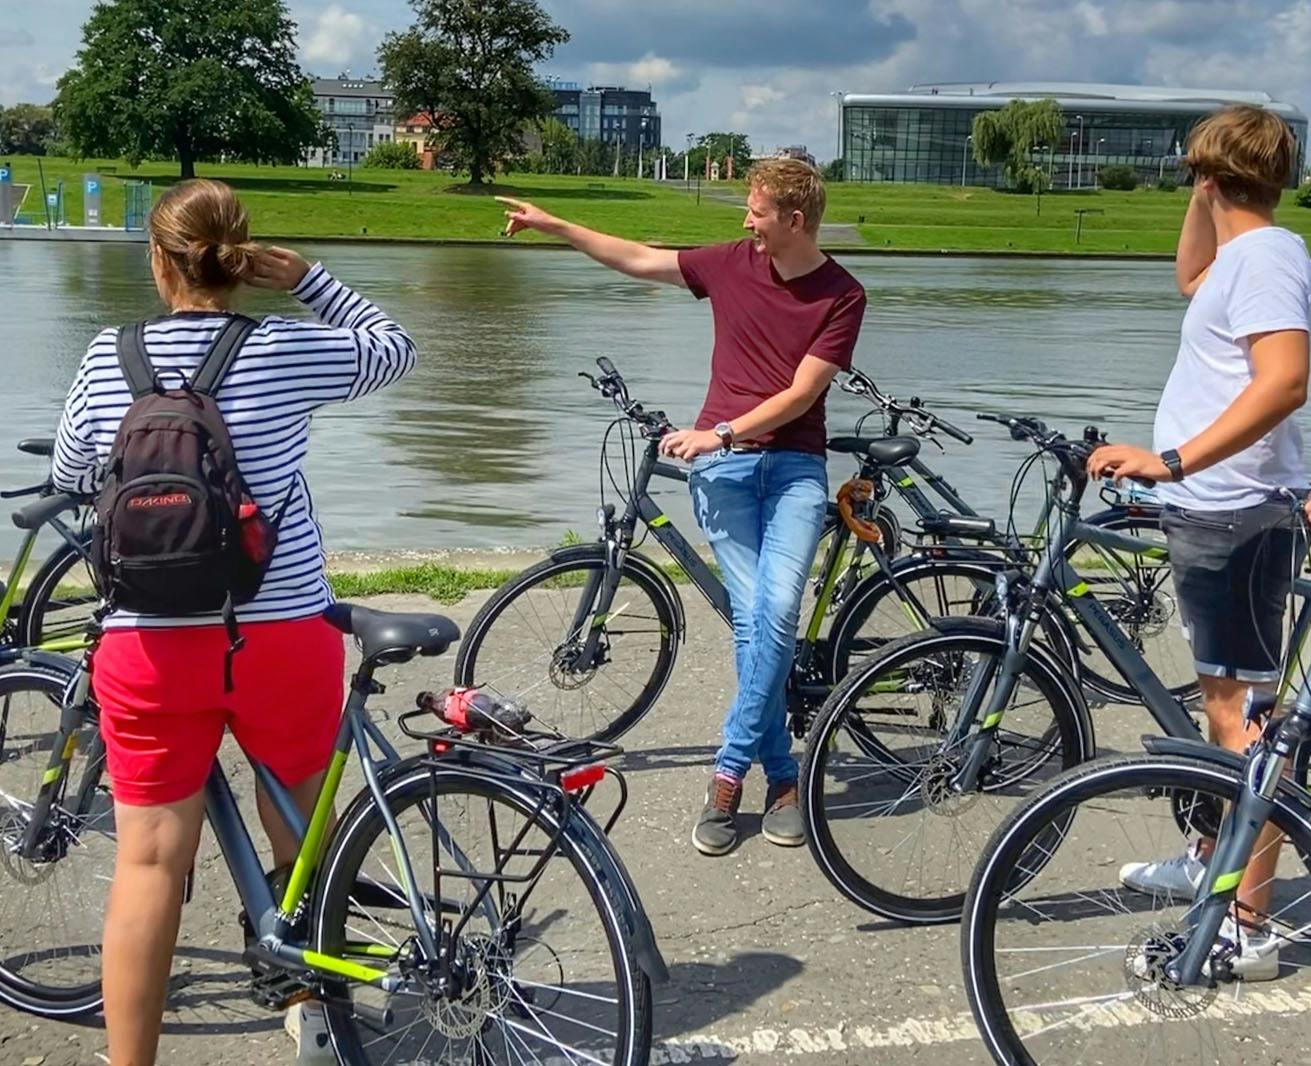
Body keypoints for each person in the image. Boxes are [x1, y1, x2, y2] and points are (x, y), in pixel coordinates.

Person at [50, 178, 417, 1066]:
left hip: (147, 641)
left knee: (147, 865)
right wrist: (310, 280)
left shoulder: (110, 356)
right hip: (280, 633)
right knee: (297, 814)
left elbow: (70, 469)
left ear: (157, 258)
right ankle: (311, 1006)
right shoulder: (286, 348)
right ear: (243, 259)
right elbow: (396, 349)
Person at [498, 158, 866, 856]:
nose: (744, 221)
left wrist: (721, 431)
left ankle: (729, 775)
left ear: (793, 220)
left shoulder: (843, 294)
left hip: (791, 469)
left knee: (773, 611)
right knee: (759, 615)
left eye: (755, 211)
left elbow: (802, 395)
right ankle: (782, 775)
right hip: (723, 473)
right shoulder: (729, 265)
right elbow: (637, 258)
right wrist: (553, 225)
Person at [1088, 103, 1311, 980]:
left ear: (1216, 180)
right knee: (1221, 705)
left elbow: (1285, 380)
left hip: (1237, 512)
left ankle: (1249, 923)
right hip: (1211, 512)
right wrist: (1202, 185)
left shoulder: (1267, 258)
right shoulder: (1242, 256)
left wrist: (1173, 460)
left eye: (1199, 180)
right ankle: (1213, 856)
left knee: (1244, 722)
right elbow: (1189, 276)